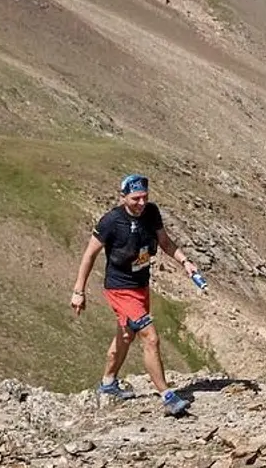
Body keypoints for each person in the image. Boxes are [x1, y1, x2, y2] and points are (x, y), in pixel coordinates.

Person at [70, 173, 206, 417]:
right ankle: (167, 396)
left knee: (125, 336)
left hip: (141, 286)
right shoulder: (111, 221)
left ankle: (108, 383)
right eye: (135, 199)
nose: (141, 203)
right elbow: (89, 255)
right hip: (119, 289)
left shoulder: (151, 213)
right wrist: (79, 291)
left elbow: (164, 242)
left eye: (144, 197)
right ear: (123, 197)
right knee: (150, 338)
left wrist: (185, 262)